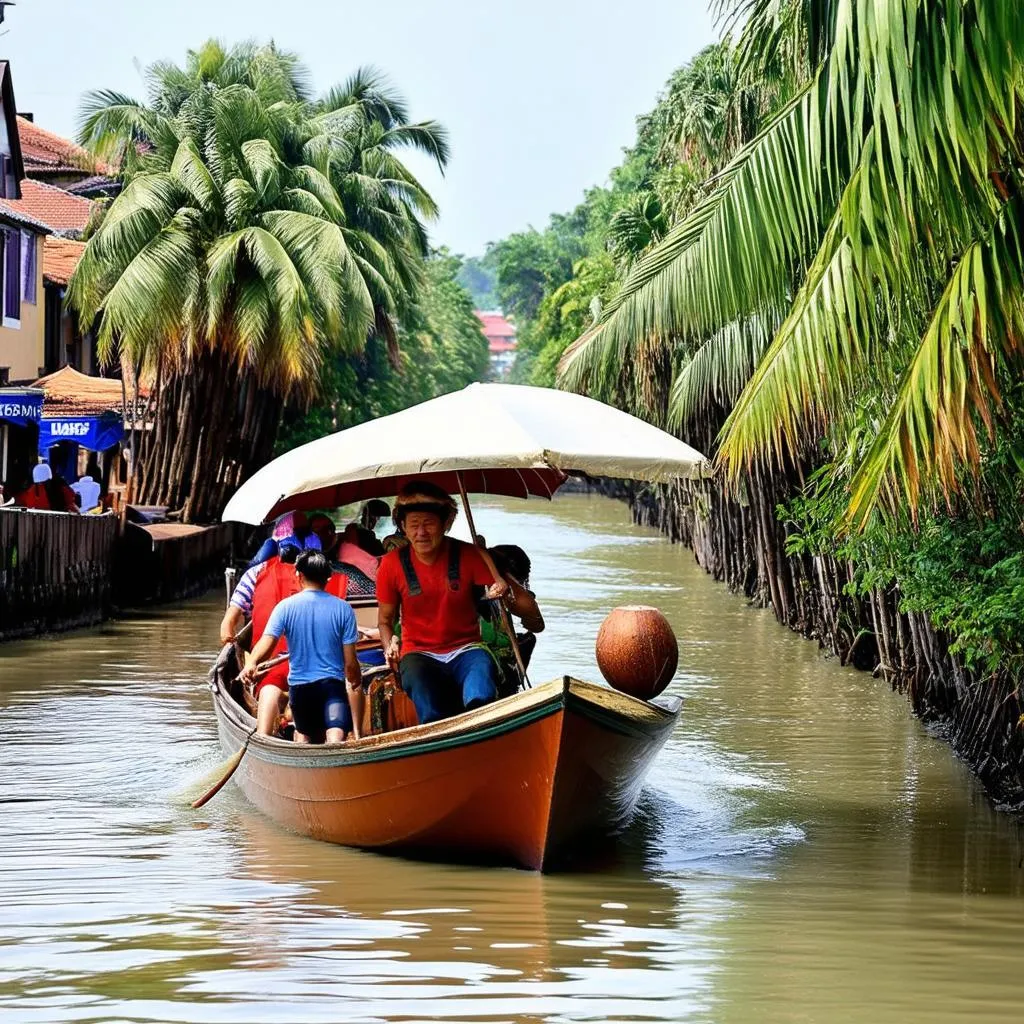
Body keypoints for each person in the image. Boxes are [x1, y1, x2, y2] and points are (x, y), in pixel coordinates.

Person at [376, 481, 509, 725]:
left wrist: (500, 587)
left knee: (481, 687)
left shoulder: (469, 555)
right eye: (414, 525)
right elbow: (385, 620)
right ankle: (436, 737)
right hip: (418, 652)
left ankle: (480, 731)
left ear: (446, 524)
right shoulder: (391, 564)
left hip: (466, 648)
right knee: (425, 698)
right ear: (403, 527)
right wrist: (388, 646)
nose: (421, 533)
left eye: (429, 524)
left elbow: (497, 587)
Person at [240, 550, 363, 744]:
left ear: (299, 576)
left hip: (300, 689)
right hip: (332, 686)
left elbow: (268, 642)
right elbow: (350, 663)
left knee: (303, 735)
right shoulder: (343, 609)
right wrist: (355, 680)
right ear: (328, 578)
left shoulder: (285, 607)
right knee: (335, 734)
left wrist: (252, 663)